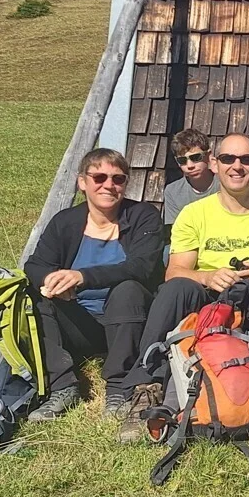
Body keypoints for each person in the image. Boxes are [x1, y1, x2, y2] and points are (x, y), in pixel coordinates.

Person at [116, 133, 249, 446]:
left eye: (246, 159)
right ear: (215, 164)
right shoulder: (195, 213)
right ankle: (145, 386)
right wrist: (206, 277)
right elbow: (174, 270)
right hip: (208, 299)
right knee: (177, 288)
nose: (237, 166)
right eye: (228, 159)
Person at [24, 149, 163, 421]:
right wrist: (51, 281)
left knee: (129, 288)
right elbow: (35, 264)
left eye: (118, 179)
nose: (108, 185)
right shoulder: (65, 221)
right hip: (80, 322)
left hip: (129, 324)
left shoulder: (143, 216)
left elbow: (142, 266)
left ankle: (118, 386)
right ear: (82, 182)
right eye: (99, 177)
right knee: (33, 296)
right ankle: (63, 386)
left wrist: (81, 276)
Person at [162, 129, 218, 237]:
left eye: (196, 158)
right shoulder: (173, 191)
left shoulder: (224, 184)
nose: (190, 165)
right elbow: (177, 231)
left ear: (209, 156)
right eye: (182, 160)